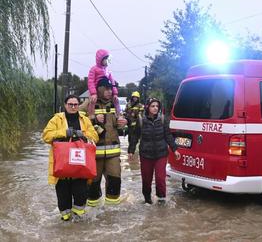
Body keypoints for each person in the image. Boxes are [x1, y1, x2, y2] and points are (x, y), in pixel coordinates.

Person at [42, 95, 99, 221]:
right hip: (62, 167)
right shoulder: (57, 119)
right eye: (70, 104)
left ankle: (78, 225)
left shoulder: (84, 119)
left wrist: (83, 135)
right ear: (65, 105)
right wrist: (64, 133)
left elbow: (94, 136)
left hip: (80, 167)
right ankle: (66, 226)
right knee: (63, 204)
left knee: (80, 198)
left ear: (78, 105)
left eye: (75, 104)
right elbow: (46, 135)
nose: (73, 107)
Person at [79, 77, 127, 206]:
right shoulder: (90, 102)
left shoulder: (115, 103)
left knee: (115, 183)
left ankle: (111, 216)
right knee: (92, 186)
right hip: (94, 154)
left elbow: (119, 121)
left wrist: (122, 123)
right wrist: (93, 118)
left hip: (113, 153)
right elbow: (76, 117)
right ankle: (93, 214)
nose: (109, 91)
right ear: (98, 89)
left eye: (111, 88)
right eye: (106, 88)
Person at [128, 97, 180, 204]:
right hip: (146, 155)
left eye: (157, 106)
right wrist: (131, 151)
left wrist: (175, 149)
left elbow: (168, 135)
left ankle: (161, 201)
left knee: (160, 179)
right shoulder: (141, 120)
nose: (155, 108)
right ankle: (147, 200)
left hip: (161, 154)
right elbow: (135, 136)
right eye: (153, 106)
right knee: (146, 180)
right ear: (147, 107)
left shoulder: (162, 119)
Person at [88, 49, 120, 117]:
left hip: (106, 88)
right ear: (100, 59)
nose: (108, 61)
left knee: (116, 101)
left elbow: (112, 83)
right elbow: (91, 81)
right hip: (97, 92)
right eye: (106, 59)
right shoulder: (94, 69)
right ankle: (92, 116)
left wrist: (115, 93)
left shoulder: (108, 71)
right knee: (91, 102)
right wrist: (93, 93)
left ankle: (118, 115)